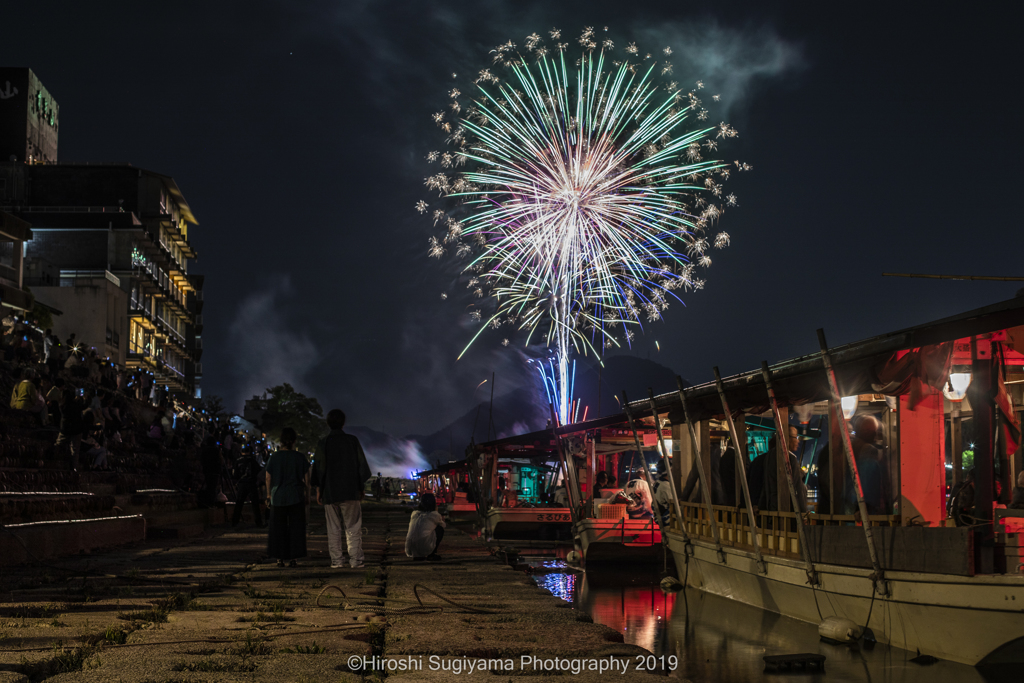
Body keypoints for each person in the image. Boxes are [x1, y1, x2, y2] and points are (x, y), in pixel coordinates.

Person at [313, 409, 371, 569]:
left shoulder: (323, 443)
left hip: (330, 491)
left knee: (333, 528)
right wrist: (361, 487)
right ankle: (356, 560)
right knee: (353, 527)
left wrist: (319, 490)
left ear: (328, 423)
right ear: (343, 423)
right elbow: (361, 467)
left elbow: (319, 468)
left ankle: (337, 561)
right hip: (350, 490)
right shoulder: (352, 441)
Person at [264, 427, 310, 567]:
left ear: (281, 441)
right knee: (296, 528)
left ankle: (279, 558)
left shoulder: (274, 457)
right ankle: (294, 557)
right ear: (294, 441)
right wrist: (307, 495)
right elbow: (307, 478)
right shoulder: (300, 457)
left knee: (278, 528)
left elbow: (268, 477)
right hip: (295, 496)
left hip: (278, 496)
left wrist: (268, 495)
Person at [232, 443, 265, 527]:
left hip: (242, 484)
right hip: (251, 484)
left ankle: (234, 522)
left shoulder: (238, 461)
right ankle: (259, 522)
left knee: (239, 503)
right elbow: (258, 472)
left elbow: (235, 474)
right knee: (255, 504)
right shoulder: (253, 461)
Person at [405, 492, 446, 561]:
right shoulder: (434, 515)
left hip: (409, 550)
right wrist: (441, 518)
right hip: (424, 548)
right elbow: (443, 526)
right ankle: (431, 555)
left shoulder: (414, 513)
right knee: (440, 529)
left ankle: (418, 555)